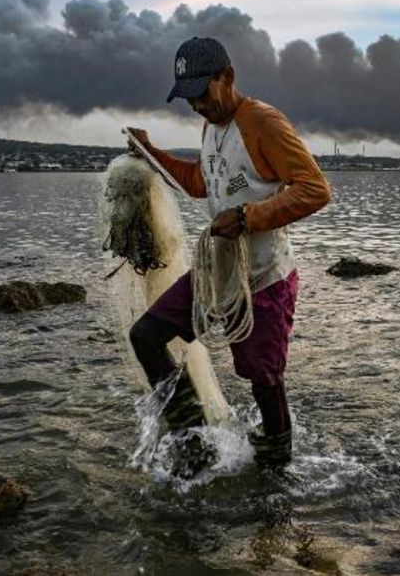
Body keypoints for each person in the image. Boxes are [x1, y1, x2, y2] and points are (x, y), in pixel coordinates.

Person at [126, 36, 331, 468]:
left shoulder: (262, 122)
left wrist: (244, 219)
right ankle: (194, 443)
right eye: (188, 98)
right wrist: (152, 153)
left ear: (228, 77)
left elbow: (315, 189)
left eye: (203, 92)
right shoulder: (213, 124)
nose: (197, 105)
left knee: (264, 380)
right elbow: (203, 183)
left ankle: (277, 472)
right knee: (146, 336)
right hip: (217, 270)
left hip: (263, 277)